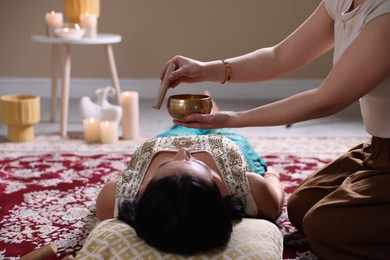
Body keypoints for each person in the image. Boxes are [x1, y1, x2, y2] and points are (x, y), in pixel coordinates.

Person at [159, 0, 390, 259]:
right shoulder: (341, 2)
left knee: (324, 228)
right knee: (302, 206)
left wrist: (232, 119)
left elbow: (326, 99)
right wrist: (203, 70)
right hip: (379, 148)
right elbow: (278, 56)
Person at [95, 95, 285, 254]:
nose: (184, 151)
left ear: (144, 191)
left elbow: (124, 174)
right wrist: (272, 176)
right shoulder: (251, 191)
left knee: (182, 125)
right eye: (198, 164)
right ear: (219, 194)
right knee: (221, 124)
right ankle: (214, 112)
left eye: (167, 164)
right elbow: (275, 191)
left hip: (166, 141)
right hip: (227, 143)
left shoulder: (114, 198)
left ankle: (207, 113)